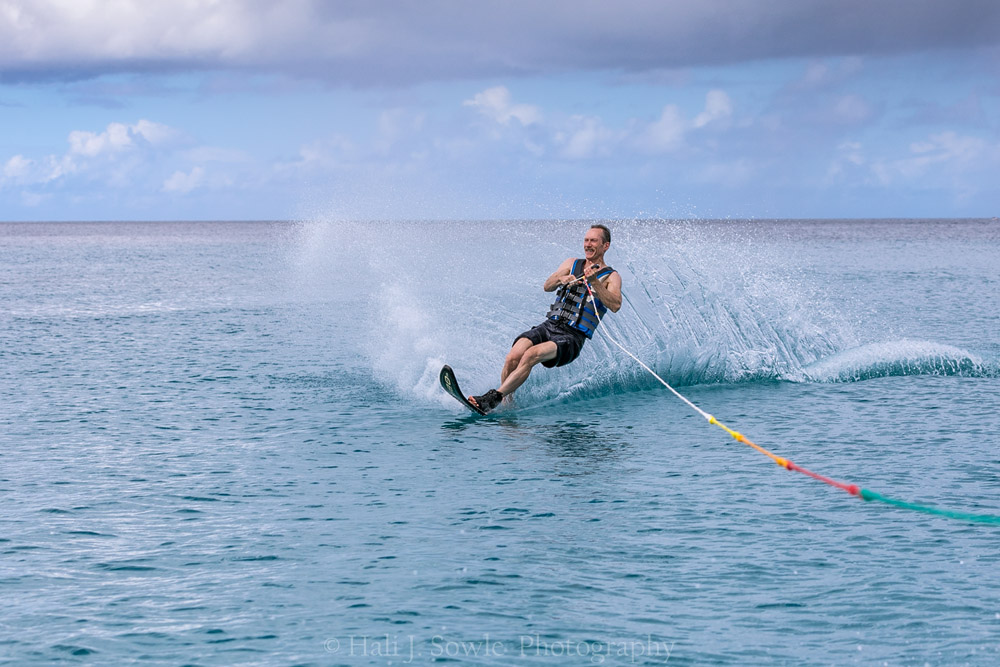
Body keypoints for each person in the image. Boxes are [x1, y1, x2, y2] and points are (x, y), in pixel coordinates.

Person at [469, 224, 622, 413]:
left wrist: (595, 283)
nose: (588, 244)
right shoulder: (571, 263)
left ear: (605, 246)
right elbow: (547, 286)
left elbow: (615, 305)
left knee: (531, 355)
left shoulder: (611, 276)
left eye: (593, 241)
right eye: (586, 240)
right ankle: (506, 407)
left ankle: (491, 399)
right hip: (550, 325)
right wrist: (560, 280)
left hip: (571, 337)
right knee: (513, 356)